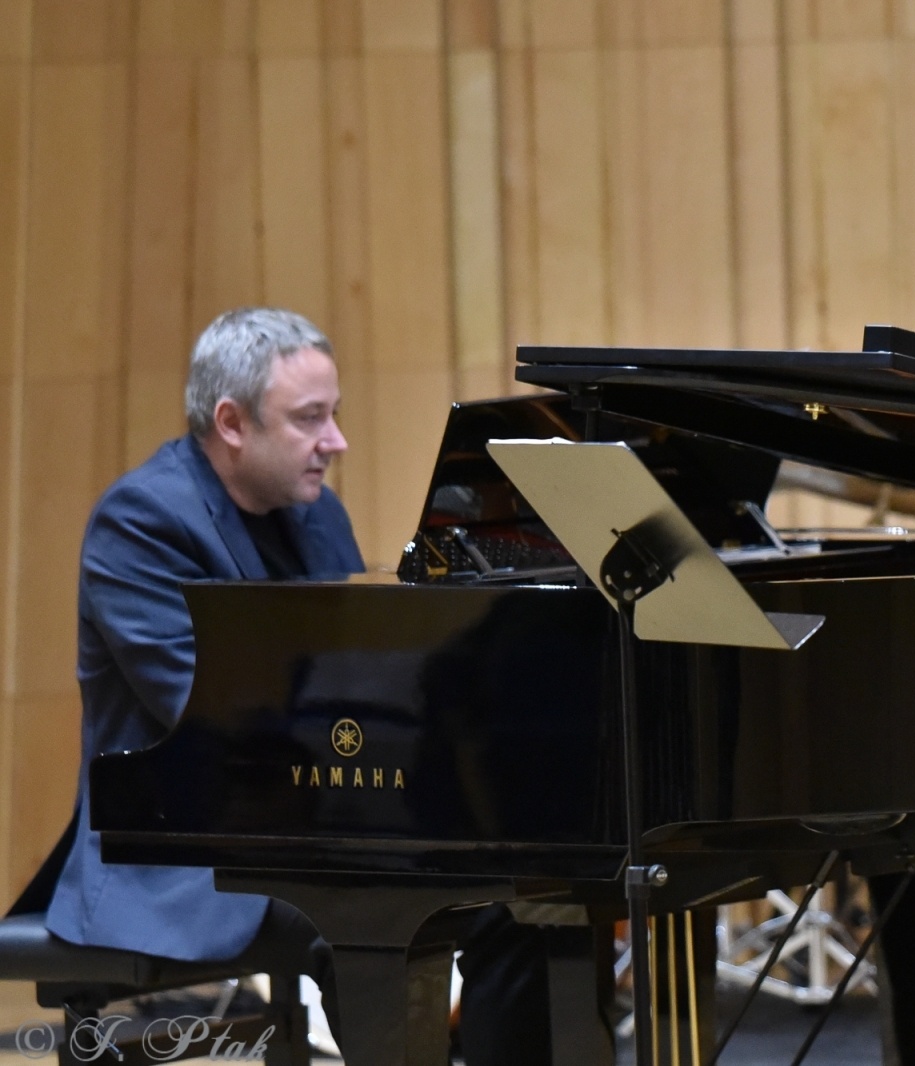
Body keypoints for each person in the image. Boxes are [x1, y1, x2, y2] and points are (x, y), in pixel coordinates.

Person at [32, 307, 564, 1063]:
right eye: (310, 418)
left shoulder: (317, 515)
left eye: (335, 415)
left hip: (323, 814)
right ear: (232, 422)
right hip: (185, 850)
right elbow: (210, 718)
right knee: (378, 914)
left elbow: (366, 673)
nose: (336, 442)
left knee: (524, 900)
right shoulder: (142, 522)